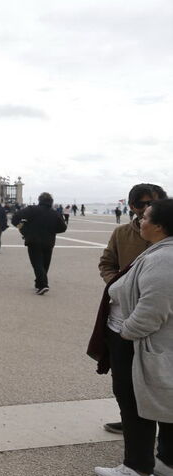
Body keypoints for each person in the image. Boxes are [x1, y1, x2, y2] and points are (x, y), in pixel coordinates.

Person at [94, 198, 173, 476]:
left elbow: (154, 308)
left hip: (140, 343)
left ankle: (138, 469)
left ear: (159, 226)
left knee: (134, 401)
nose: (139, 220)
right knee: (162, 397)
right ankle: (167, 460)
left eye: (145, 217)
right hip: (154, 344)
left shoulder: (164, 258)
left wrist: (125, 332)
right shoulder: (160, 251)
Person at [98, 183, 168, 435]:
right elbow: (106, 262)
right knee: (123, 380)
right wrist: (117, 284)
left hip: (158, 318)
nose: (148, 209)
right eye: (143, 204)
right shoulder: (122, 234)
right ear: (132, 207)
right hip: (124, 314)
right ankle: (131, 421)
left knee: (160, 378)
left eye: (154, 203)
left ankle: (161, 442)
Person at [11, 192, 67, 295]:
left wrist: (23, 228)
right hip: (49, 242)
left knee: (37, 263)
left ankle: (42, 285)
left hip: (33, 240)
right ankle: (39, 283)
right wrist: (52, 230)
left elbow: (15, 218)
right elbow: (63, 228)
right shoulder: (55, 213)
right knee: (45, 264)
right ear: (51, 202)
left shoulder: (32, 210)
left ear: (39, 200)